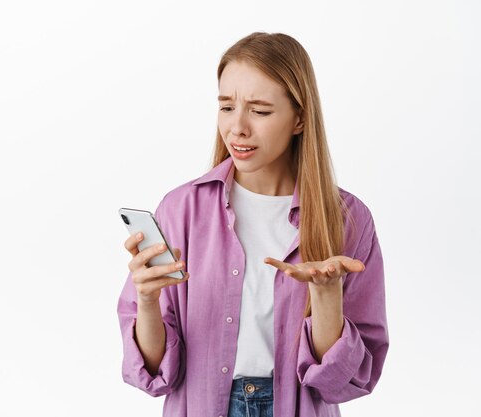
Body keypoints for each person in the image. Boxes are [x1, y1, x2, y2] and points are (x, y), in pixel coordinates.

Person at [117, 32, 388, 417]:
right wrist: (146, 302)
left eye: (260, 111)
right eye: (227, 106)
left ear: (300, 118)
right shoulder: (181, 209)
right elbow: (157, 375)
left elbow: (343, 383)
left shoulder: (347, 220)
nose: (237, 128)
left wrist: (327, 297)